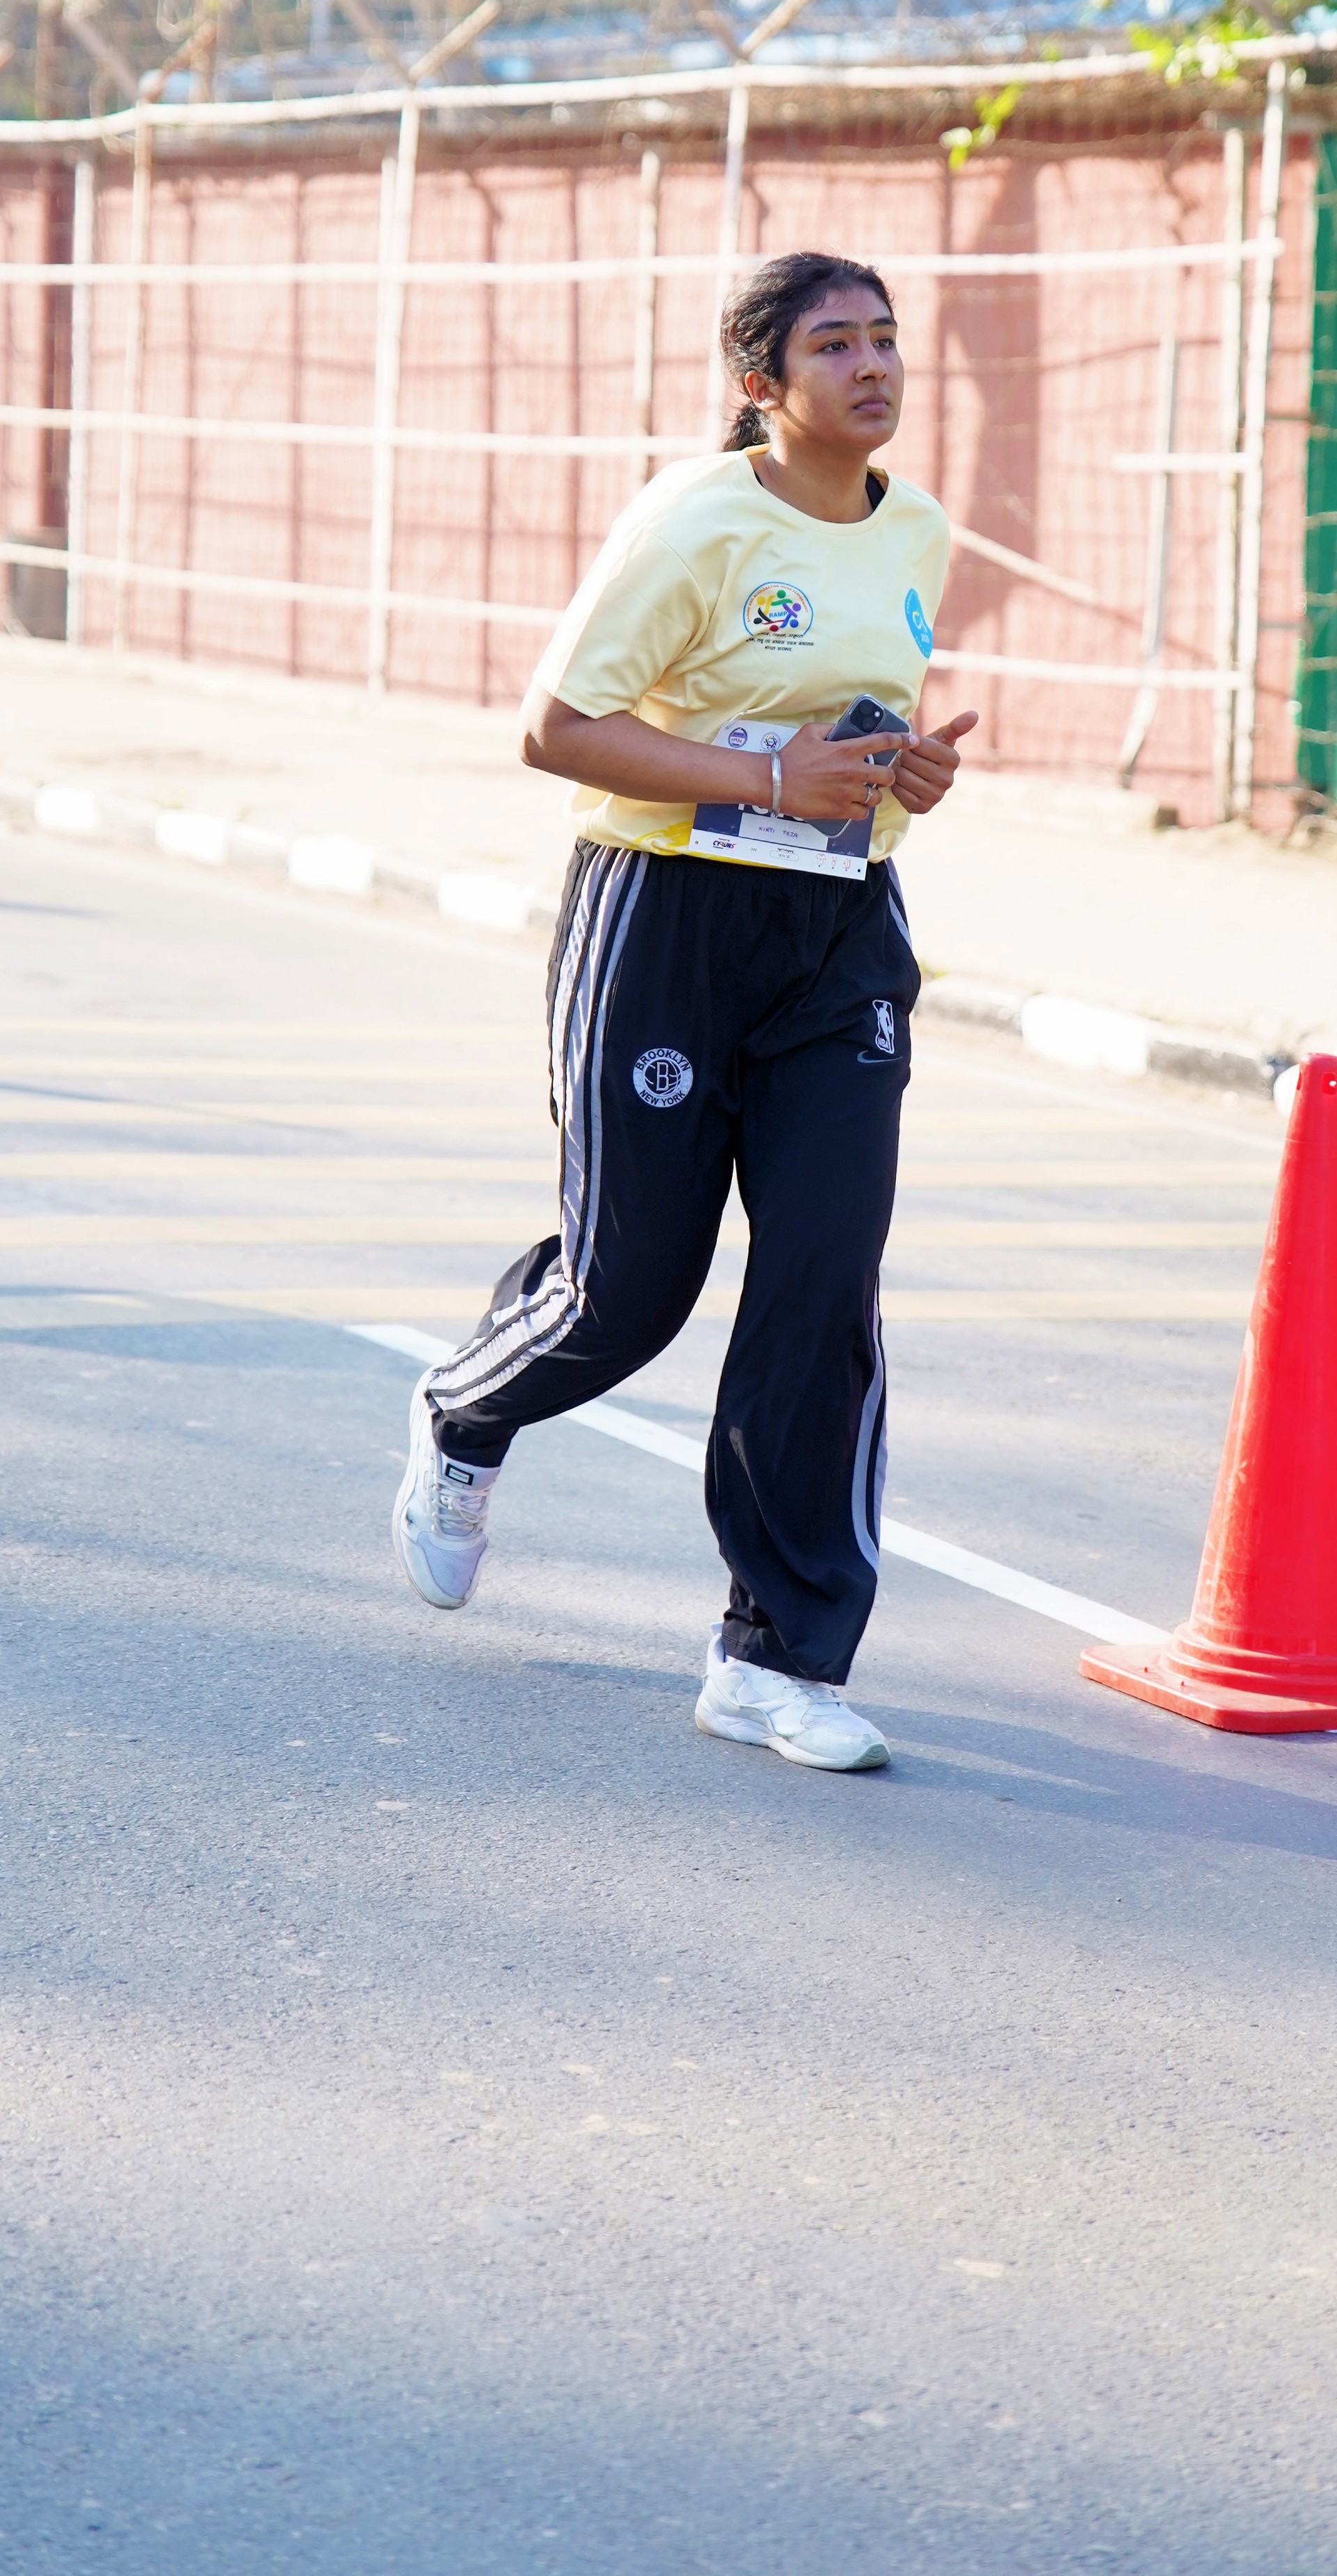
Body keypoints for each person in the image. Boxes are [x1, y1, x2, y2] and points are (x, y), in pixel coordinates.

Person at [391, 248, 978, 1772]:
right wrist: (769, 777)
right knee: (629, 1289)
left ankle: (777, 1658)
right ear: (761, 385)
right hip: (662, 919)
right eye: (834, 344)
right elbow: (557, 727)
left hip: (839, 931)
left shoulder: (917, 527)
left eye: (885, 338)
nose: (873, 364)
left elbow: (853, 731)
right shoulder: (695, 519)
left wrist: (903, 773)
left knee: (824, 1285)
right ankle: (466, 1411)